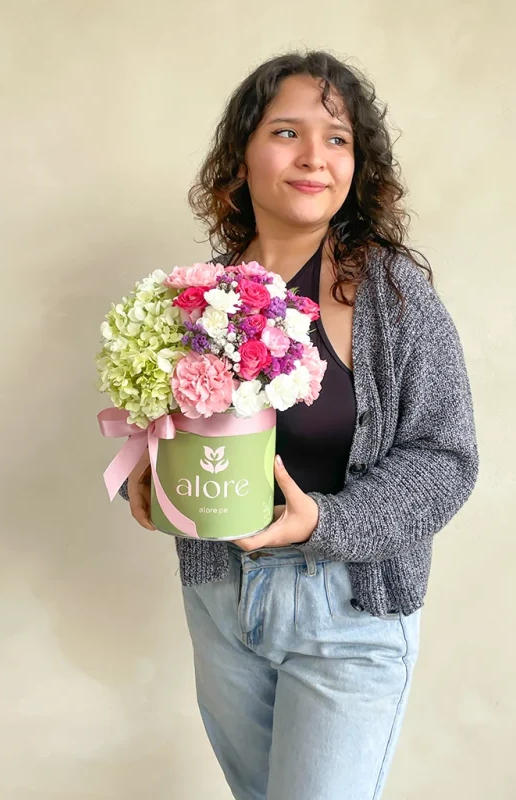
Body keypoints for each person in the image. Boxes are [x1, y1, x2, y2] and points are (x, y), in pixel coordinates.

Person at [123, 50, 479, 800]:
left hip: (348, 611)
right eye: (287, 132)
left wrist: (325, 522)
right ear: (242, 157)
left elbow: (446, 457)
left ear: (358, 165)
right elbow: (163, 427)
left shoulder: (392, 296)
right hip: (222, 601)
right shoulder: (201, 298)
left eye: (337, 138)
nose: (315, 156)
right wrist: (148, 479)